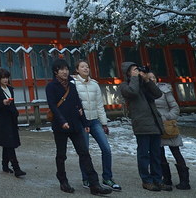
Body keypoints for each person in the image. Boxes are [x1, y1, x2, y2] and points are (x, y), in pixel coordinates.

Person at [46, 58, 112, 195]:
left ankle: (94, 184)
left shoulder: (72, 84)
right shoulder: (51, 86)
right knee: (61, 154)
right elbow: (53, 106)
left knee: (84, 153)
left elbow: (78, 104)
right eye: (61, 69)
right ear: (55, 71)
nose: (65, 72)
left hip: (75, 124)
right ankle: (63, 180)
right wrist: (62, 120)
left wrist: (85, 123)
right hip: (60, 126)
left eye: (66, 69)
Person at [74, 61, 120, 191]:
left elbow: (99, 105)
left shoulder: (94, 84)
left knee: (106, 149)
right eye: (82, 66)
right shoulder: (74, 84)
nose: (86, 68)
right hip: (82, 122)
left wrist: (104, 123)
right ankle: (86, 178)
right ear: (77, 70)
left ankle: (107, 177)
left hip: (94, 121)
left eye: (87, 66)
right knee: (85, 151)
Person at [119, 61, 165, 191]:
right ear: (128, 72)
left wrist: (147, 80)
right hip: (141, 125)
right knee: (144, 154)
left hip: (154, 123)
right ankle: (146, 180)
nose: (137, 72)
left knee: (156, 155)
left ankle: (158, 179)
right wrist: (134, 78)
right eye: (133, 70)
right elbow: (133, 92)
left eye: (137, 69)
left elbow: (158, 94)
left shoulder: (144, 84)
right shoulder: (124, 86)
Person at [153, 71, 190, 191]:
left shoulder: (165, 91)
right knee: (160, 153)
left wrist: (166, 117)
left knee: (176, 151)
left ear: (157, 79)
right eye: (149, 78)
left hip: (168, 126)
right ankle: (166, 179)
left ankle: (185, 181)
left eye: (153, 77)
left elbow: (175, 108)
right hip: (155, 127)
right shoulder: (146, 92)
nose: (152, 79)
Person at [0, 67, 25, 178]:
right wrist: (2, 102)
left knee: (7, 144)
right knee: (9, 144)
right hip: (2, 120)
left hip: (11, 118)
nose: (5, 80)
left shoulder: (10, 89)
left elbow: (12, 103)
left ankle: (5, 165)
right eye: (3, 78)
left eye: (7, 77)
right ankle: (16, 168)